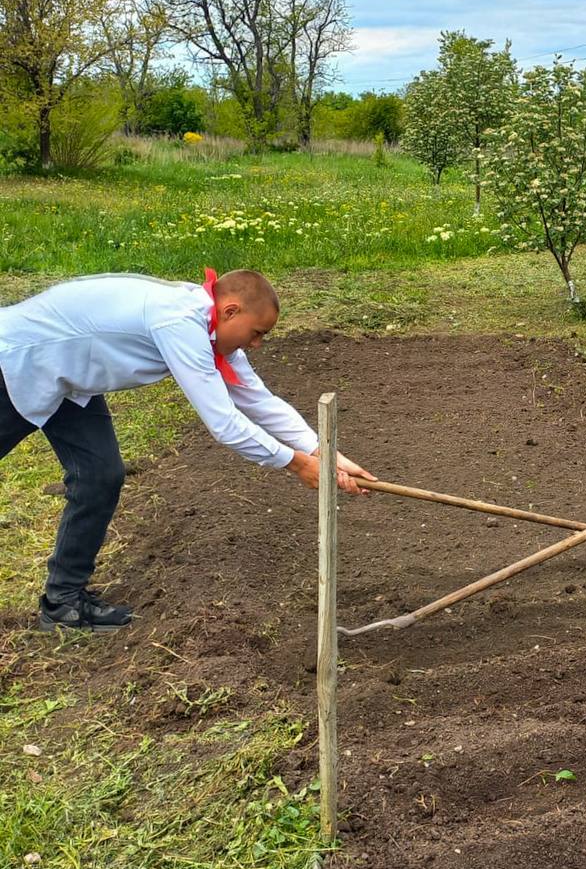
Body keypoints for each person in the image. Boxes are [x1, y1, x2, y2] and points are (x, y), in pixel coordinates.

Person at [0, 268, 374, 633]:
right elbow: (224, 423)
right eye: (257, 333)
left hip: (68, 377)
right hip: (17, 359)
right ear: (230, 311)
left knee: (100, 475)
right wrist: (296, 464)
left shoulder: (207, 326)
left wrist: (325, 452)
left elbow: (258, 400)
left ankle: (63, 601)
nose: (257, 344)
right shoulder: (179, 323)